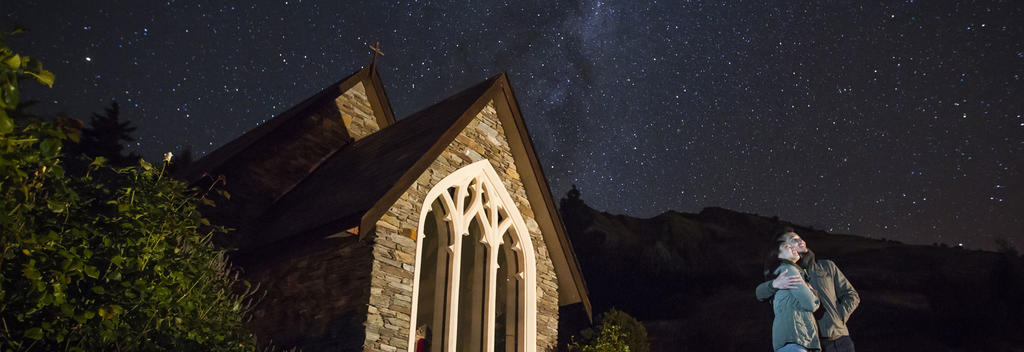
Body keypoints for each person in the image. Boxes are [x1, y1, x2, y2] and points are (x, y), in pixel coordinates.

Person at [756, 228, 860, 352]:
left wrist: (840, 317)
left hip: (840, 340)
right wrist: (774, 284)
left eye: (800, 238)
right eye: (794, 240)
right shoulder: (786, 271)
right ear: (785, 247)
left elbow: (851, 294)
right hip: (811, 342)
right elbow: (760, 293)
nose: (801, 241)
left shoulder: (827, 266)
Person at [767, 240, 821, 352]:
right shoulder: (789, 270)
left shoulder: (785, 271)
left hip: (792, 340)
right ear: (779, 255)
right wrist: (813, 292)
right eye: (787, 247)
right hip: (795, 340)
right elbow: (811, 304)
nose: (793, 248)